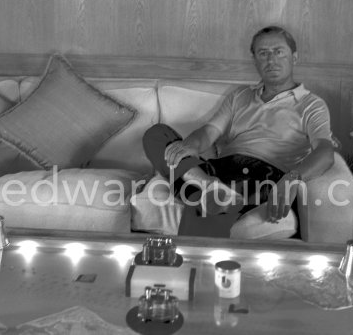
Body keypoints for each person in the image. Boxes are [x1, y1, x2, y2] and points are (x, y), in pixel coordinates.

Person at [142, 25, 337, 238]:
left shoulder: (311, 104)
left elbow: (325, 151)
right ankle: (207, 186)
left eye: (278, 51)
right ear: (255, 59)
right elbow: (209, 132)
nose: (271, 59)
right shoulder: (240, 96)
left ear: (294, 57)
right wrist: (189, 146)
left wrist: (293, 178)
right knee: (157, 134)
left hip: (263, 173)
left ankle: (207, 193)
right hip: (215, 170)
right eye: (263, 53)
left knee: (206, 201)